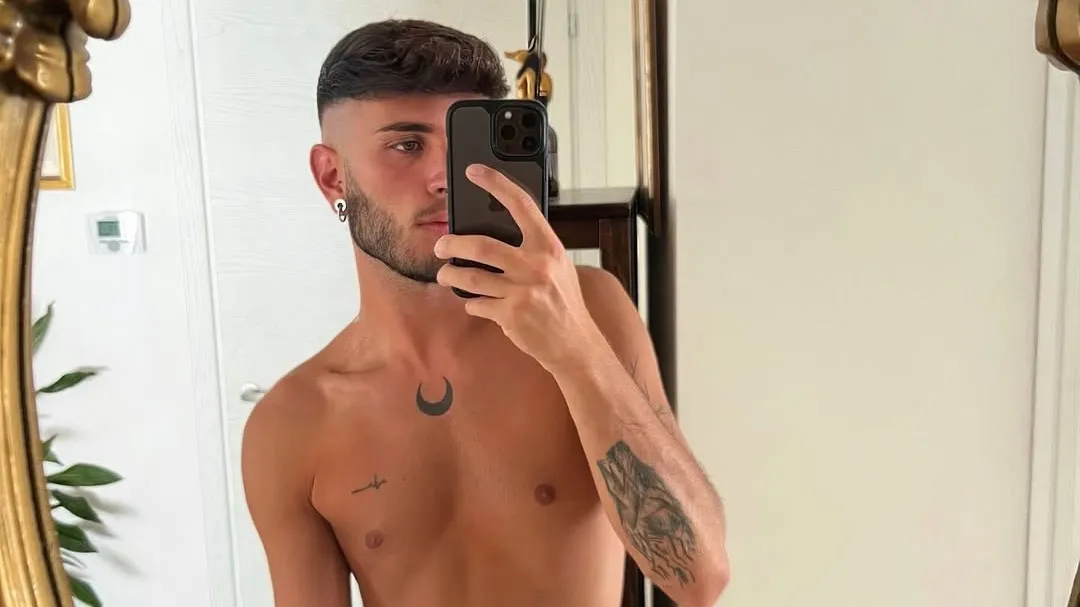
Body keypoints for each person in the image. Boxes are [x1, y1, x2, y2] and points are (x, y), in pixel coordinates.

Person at [240, 18, 730, 607]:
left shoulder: (591, 311)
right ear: (332, 176)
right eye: (407, 145)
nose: (444, 179)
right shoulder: (291, 424)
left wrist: (574, 349)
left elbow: (698, 579)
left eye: (462, 147)